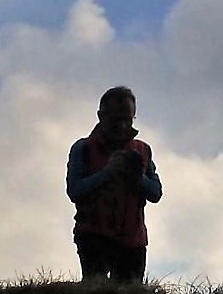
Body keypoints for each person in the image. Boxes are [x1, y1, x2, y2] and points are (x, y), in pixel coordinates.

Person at [66, 86, 163, 283]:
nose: (122, 125)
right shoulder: (83, 148)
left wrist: (138, 177)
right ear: (101, 116)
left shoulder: (142, 150)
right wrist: (108, 173)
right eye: (115, 119)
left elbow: (156, 193)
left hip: (132, 239)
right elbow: (75, 191)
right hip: (94, 236)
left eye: (127, 120)